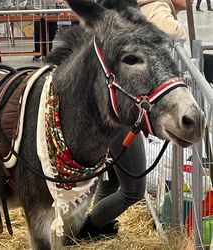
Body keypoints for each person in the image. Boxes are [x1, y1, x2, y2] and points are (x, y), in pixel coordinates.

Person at [68, 0, 188, 243]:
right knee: (133, 190)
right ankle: (85, 232)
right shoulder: (151, 8)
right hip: (120, 111)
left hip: (116, 107)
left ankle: (99, 229)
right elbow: (170, 32)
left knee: (112, 180)